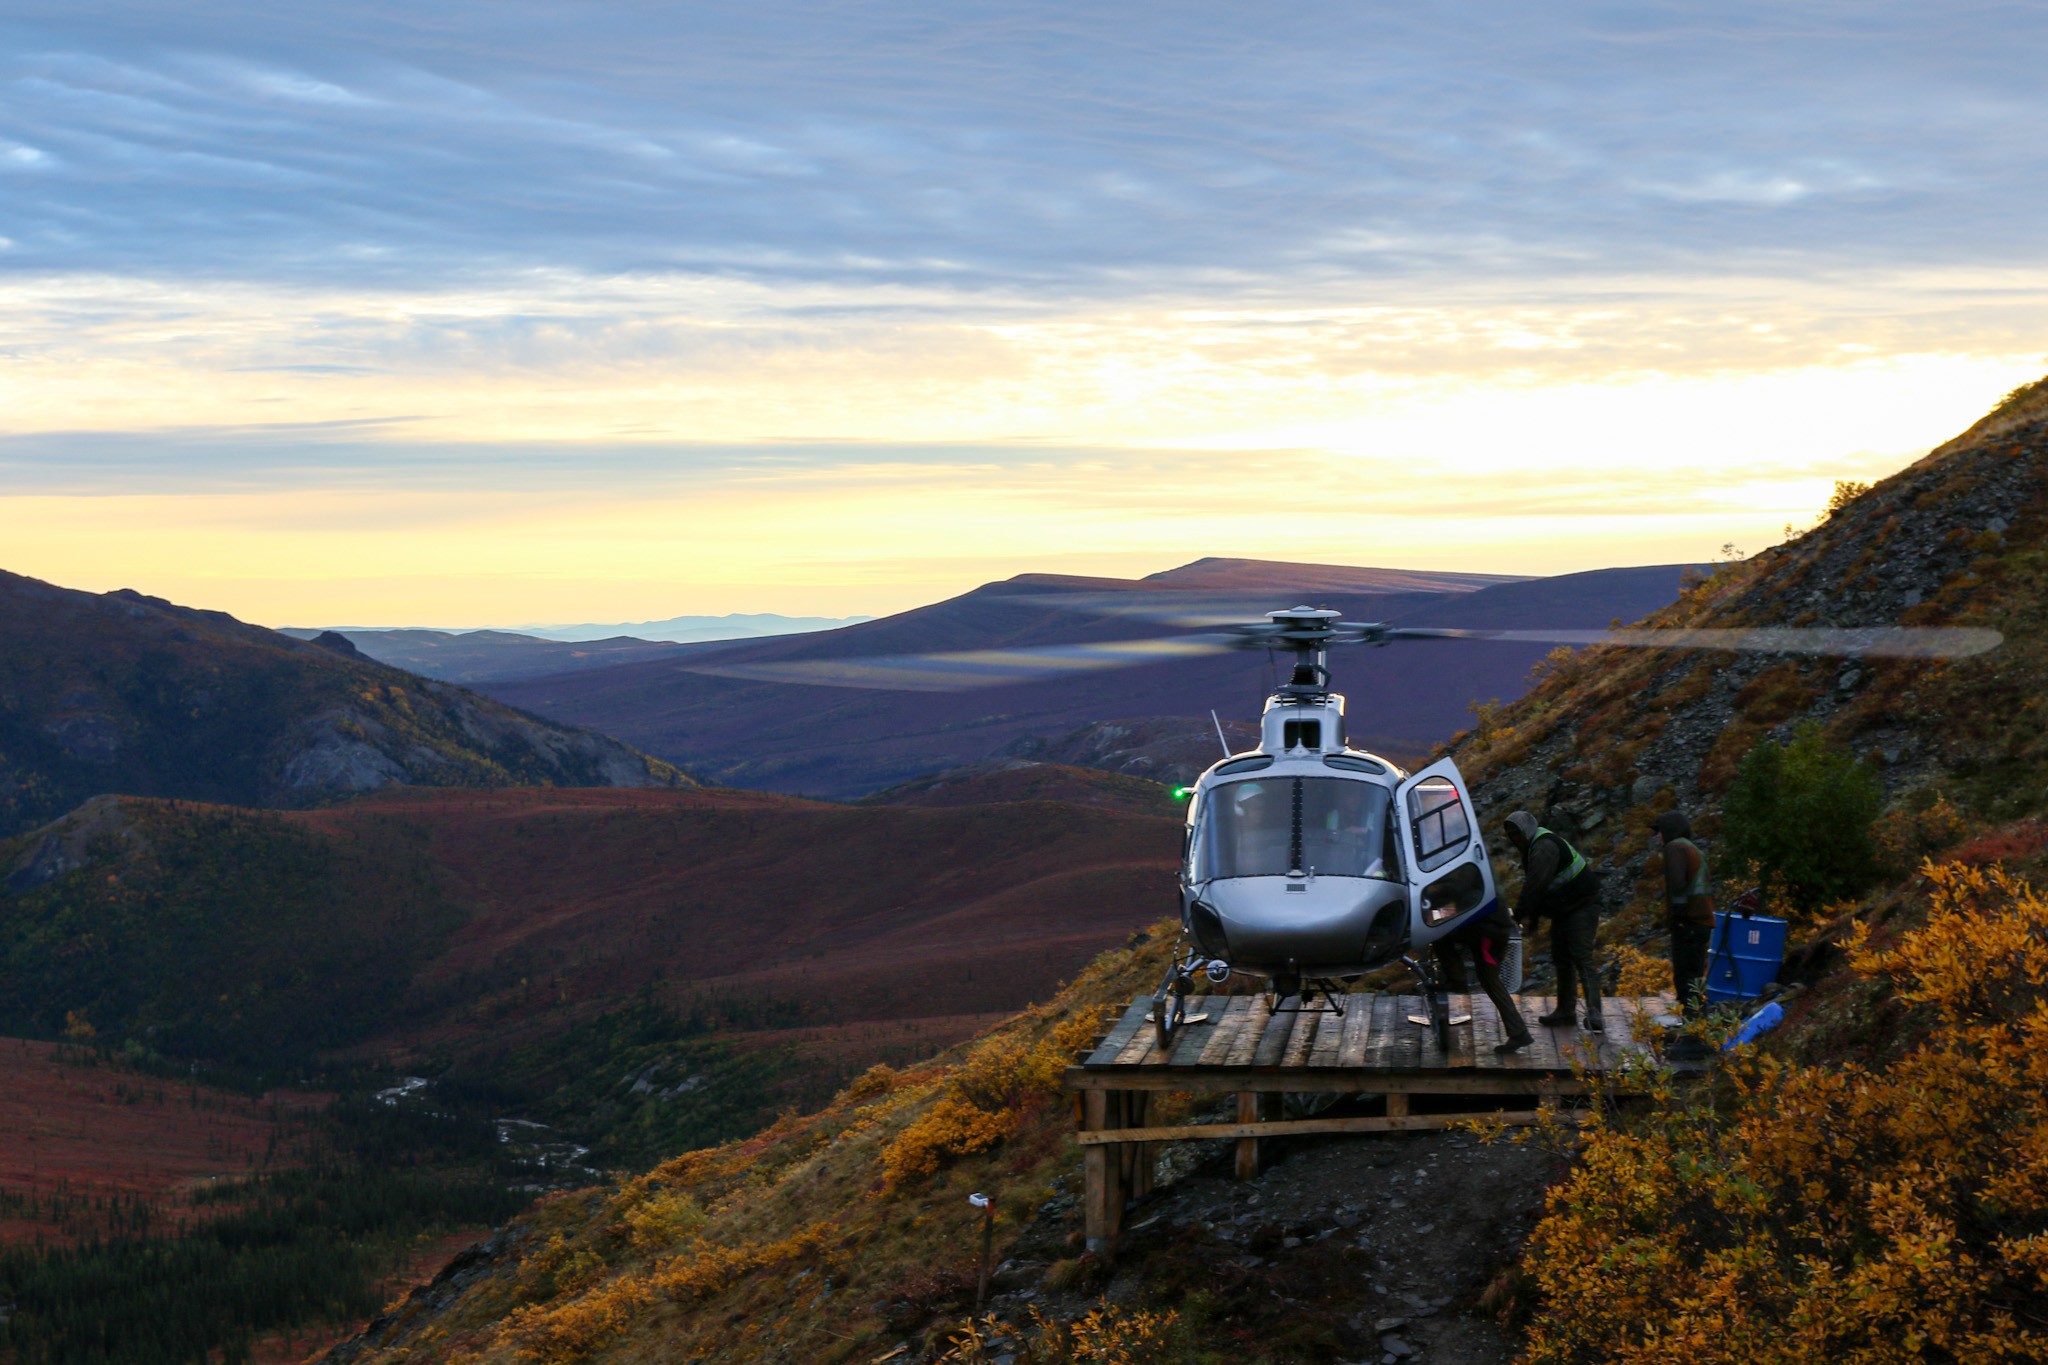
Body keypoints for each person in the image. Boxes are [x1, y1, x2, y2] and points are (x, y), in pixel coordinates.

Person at [1503, 810, 1603, 1031]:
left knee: (1581, 955)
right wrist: (1534, 920)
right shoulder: (1531, 848)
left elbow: (1534, 887)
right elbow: (1541, 888)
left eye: (1517, 833)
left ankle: (1595, 1015)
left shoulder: (1543, 847)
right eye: (1511, 835)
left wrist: (1520, 915)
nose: (1514, 838)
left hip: (1582, 904)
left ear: (1527, 830)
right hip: (1564, 908)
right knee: (1561, 957)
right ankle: (1566, 1012)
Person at [1432, 903, 1535, 1053]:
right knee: (1489, 979)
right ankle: (1518, 1032)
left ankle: (1519, 1032)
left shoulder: (1469, 881)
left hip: (1488, 934)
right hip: (1492, 928)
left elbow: (1450, 894)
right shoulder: (1481, 881)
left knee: (1490, 979)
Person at [1653, 810, 1715, 1018]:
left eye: (1659, 831)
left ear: (1669, 830)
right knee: (1695, 977)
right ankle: (1698, 1023)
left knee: (1685, 977)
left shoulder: (1675, 848)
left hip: (1688, 923)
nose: (1657, 836)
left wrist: (1677, 918)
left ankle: (1692, 1028)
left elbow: (1677, 886)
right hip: (1702, 922)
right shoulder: (1693, 848)